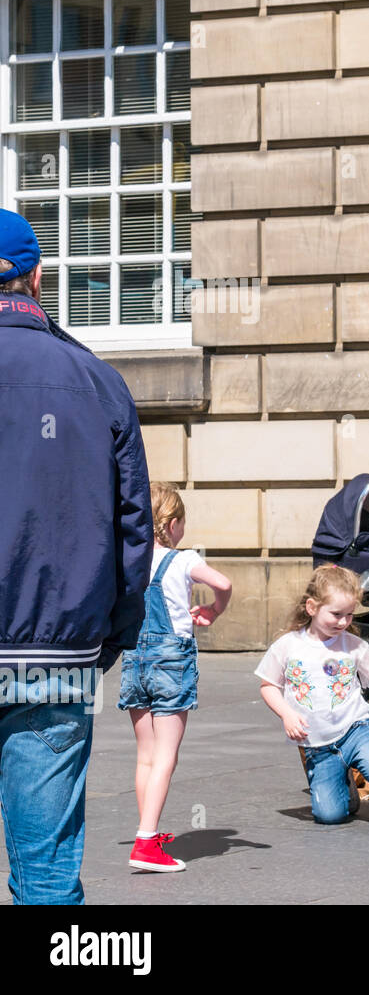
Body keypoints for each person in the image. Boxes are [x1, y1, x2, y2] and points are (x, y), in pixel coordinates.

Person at [0, 209, 154, 904]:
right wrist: (113, 633)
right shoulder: (97, 381)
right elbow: (133, 530)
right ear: (38, 276)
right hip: (54, 655)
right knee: (47, 873)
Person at [119, 482, 232, 873]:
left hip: (135, 656)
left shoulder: (128, 559)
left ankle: (146, 832)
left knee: (146, 756)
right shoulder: (183, 559)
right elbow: (224, 584)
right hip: (170, 660)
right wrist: (215, 610)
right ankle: (147, 842)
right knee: (166, 756)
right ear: (174, 522)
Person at [256, 565, 369, 823]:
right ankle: (344, 785)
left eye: (349, 615)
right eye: (336, 614)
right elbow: (268, 686)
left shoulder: (354, 645)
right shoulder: (288, 645)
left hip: (355, 728)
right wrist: (287, 715)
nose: (344, 622)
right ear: (312, 607)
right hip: (318, 744)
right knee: (329, 816)